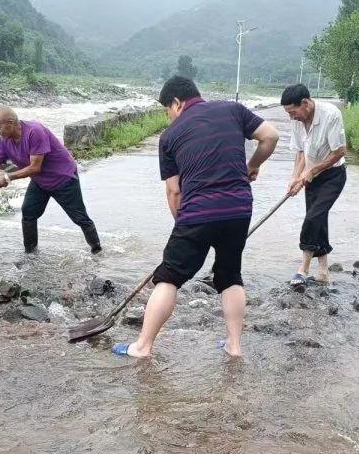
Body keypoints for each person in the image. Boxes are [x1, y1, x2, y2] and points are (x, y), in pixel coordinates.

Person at [111, 76, 279, 358]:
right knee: (229, 275)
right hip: (239, 208)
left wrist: (184, 227)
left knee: (168, 278)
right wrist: (253, 166)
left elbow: (174, 191)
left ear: (177, 103)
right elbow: (271, 136)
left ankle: (142, 347)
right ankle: (234, 346)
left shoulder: (169, 136)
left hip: (198, 212)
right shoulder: (233, 110)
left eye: (167, 110)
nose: (168, 117)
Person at [0, 107, 101, 254]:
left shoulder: (34, 131)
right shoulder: (4, 141)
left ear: (10, 123)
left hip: (63, 178)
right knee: (28, 213)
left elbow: (35, 167)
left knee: (79, 217)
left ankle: (97, 250)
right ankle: (30, 253)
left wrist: (8, 177)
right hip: (40, 181)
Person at [281, 84, 347, 287]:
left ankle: (303, 269)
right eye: (289, 114)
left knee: (313, 217)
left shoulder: (331, 115)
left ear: (305, 103)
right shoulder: (297, 121)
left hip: (333, 175)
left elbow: (339, 151)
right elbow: (300, 152)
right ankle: (324, 271)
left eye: (294, 112)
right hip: (311, 177)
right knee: (320, 218)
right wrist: (295, 177)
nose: (293, 117)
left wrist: (312, 171)